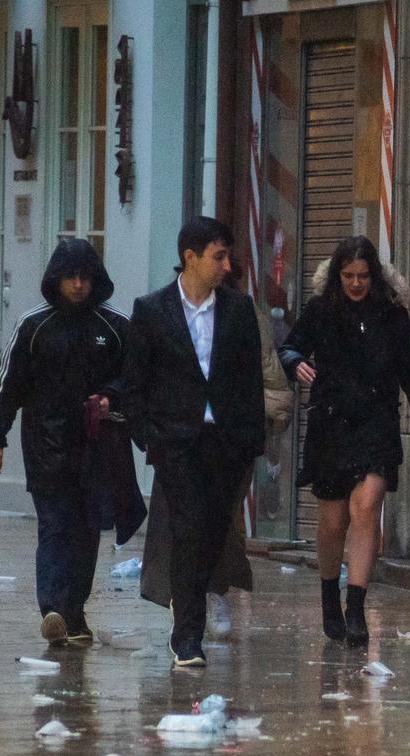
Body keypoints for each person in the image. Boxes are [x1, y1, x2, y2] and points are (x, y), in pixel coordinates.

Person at [114, 217, 268, 669]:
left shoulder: (238, 310)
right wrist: (149, 438)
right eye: (218, 256)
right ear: (190, 257)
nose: (227, 265)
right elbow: (135, 382)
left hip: (226, 441)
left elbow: (248, 381)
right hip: (176, 442)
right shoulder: (152, 310)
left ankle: (188, 605)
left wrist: (250, 441)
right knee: (187, 528)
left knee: (212, 533)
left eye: (227, 256)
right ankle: (187, 636)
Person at [279, 236, 410, 648]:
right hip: (331, 425)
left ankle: (356, 607)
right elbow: (290, 346)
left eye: (364, 276)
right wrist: (296, 363)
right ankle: (328, 596)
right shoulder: (321, 311)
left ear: (376, 276)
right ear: (338, 276)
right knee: (333, 521)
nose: (356, 284)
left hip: (376, 423)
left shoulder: (392, 317)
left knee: (367, 506)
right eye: (349, 276)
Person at [0, 237, 146, 647]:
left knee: (88, 532)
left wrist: (112, 400)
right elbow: (8, 387)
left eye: (85, 277)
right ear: (55, 280)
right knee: (55, 527)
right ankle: (52, 607)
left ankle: (74, 613)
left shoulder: (116, 327)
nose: (77, 285)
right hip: (46, 448)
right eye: (70, 277)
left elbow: (137, 381)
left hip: (99, 448)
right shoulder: (33, 326)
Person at [139, 265, 295, 639]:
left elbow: (271, 377)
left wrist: (265, 416)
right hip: (179, 439)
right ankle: (188, 601)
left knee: (219, 520)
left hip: (231, 440)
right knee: (181, 521)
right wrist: (151, 429)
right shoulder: (163, 314)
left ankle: (215, 589)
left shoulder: (244, 317)